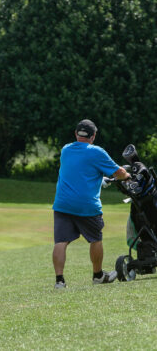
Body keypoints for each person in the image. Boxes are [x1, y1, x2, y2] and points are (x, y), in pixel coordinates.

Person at [52, 119, 131, 289]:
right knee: (95, 238)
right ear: (93, 136)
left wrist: (100, 179)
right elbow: (119, 173)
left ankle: (59, 281)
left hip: (62, 204)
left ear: (76, 134)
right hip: (86, 206)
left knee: (61, 241)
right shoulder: (96, 152)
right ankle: (98, 275)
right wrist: (127, 176)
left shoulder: (66, 150)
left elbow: (79, 171)